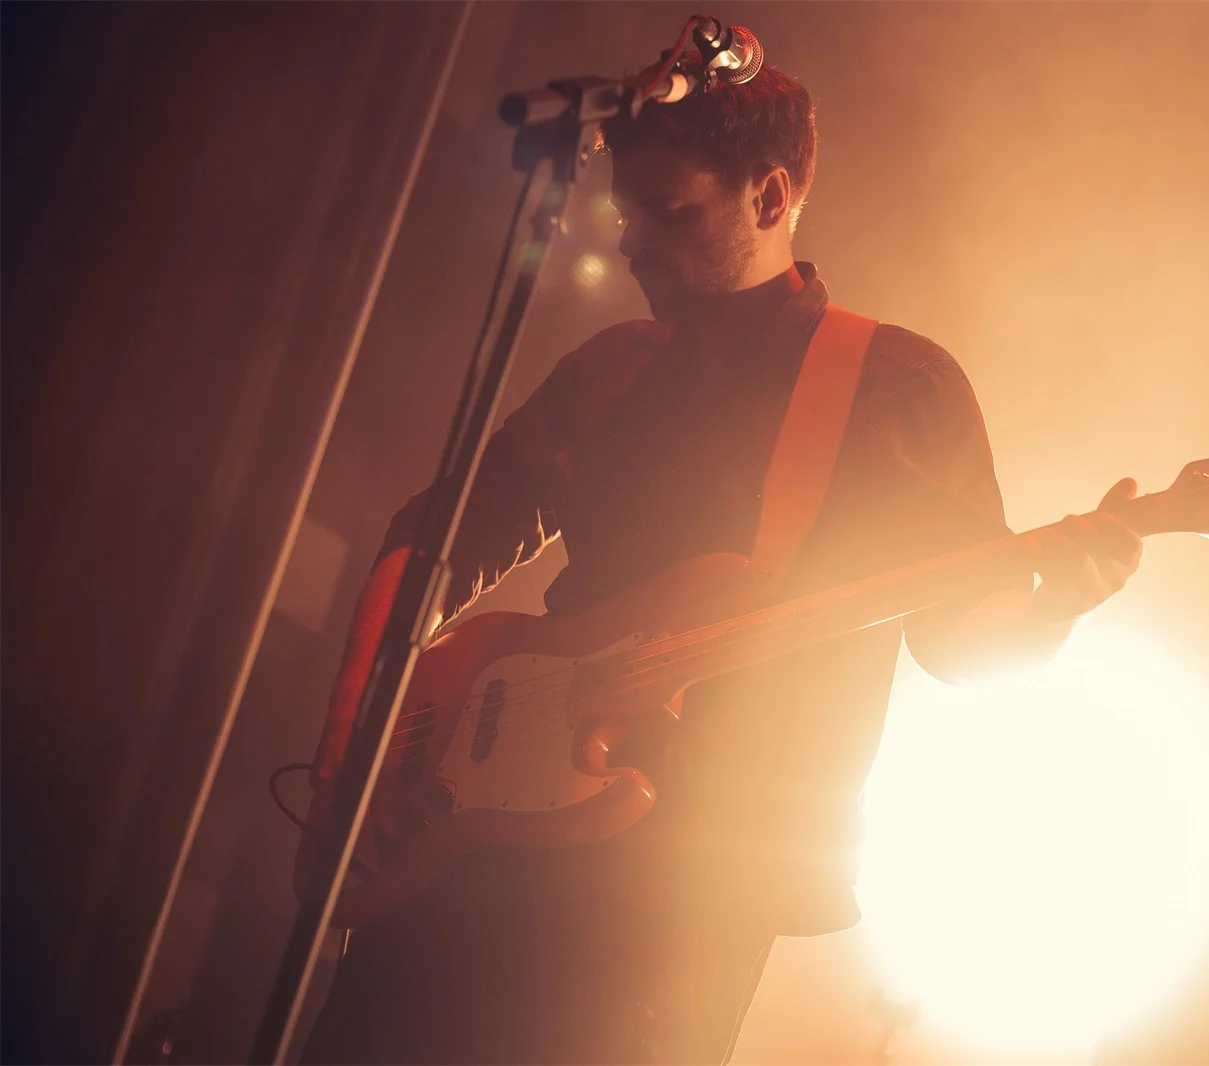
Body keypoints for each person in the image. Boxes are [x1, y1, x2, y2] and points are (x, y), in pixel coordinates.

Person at [300, 57, 1141, 1065]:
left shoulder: (893, 383)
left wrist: (1058, 606)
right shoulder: (612, 368)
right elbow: (432, 540)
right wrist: (350, 753)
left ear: (770, 197)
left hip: (689, 894)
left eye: (669, 212)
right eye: (627, 213)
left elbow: (962, 642)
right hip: (468, 839)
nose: (632, 242)